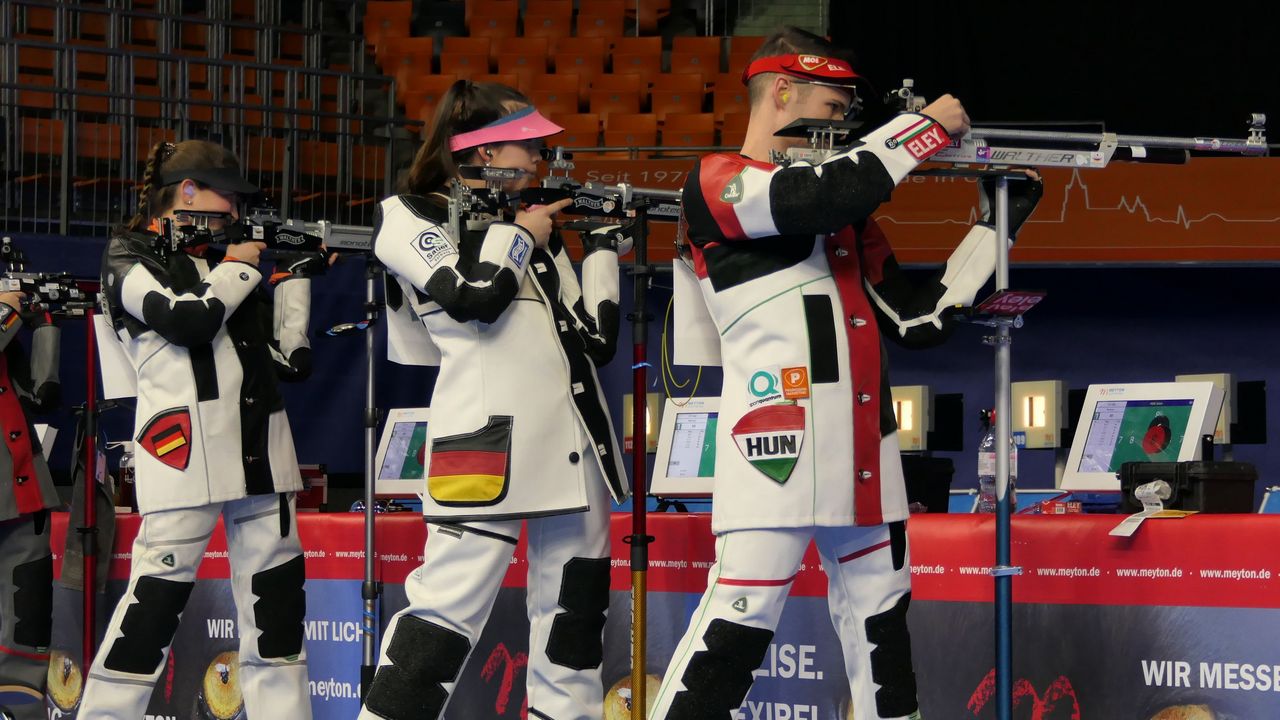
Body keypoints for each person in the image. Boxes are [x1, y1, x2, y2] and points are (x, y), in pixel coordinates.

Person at [652, 27, 1043, 719]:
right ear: (781, 91)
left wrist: (995, 227)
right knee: (736, 629)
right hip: (772, 446)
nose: (839, 127)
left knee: (883, 636)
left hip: (868, 452)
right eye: (832, 111)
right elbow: (822, 195)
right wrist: (922, 130)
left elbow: (918, 323)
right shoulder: (718, 181)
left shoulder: (843, 219)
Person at [359, 80, 629, 720]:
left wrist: (603, 248)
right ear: (482, 152)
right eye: (528, 146)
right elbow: (471, 298)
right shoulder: (410, 213)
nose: (540, 161)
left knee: (574, 629)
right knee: (438, 628)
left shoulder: (536, 228)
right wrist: (522, 237)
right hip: (483, 446)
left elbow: (596, 340)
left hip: (575, 444)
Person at [79, 140, 318, 718]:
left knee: (277, 623)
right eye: (228, 199)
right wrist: (242, 266)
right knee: (150, 614)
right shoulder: (127, 255)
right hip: (182, 455)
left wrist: (294, 280)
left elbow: (290, 362)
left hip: (262, 450)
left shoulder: (223, 262)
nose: (236, 213)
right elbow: (188, 321)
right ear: (186, 191)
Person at [0, 288, 60, 720]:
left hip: (23, 492)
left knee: (28, 621)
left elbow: (42, 395)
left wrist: (43, 328)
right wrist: (6, 311)